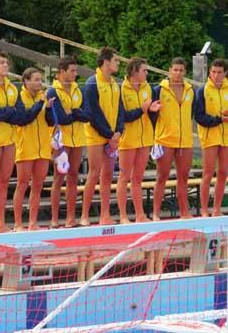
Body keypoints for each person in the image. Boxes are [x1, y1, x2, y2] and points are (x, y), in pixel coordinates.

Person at [0, 52, 42, 233]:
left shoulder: (13, 88)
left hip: (10, 139)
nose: (6, 65)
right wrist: (10, 112)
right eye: (2, 63)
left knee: (4, 181)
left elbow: (21, 116)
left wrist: (8, 112)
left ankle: (0, 223)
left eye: (7, 62)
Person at [81, 47, 124, 226]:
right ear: (106, 62)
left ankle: (104, 215)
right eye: (116, 60)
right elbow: (93, 113)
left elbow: (121, 109)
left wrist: (119, 131)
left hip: (112, 136)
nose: (118, 63)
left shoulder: (115, 84)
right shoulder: (92, 83)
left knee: (107, 175)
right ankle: (84, 215)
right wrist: (109, 134)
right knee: (94, 174)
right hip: (96, 135)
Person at [45, 57, 89, 229]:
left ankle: (71, 218)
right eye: (72, 70)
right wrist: (75, 114)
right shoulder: (52, 91)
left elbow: (87, 115)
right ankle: (54, 219)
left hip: (78, 138)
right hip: (61, 140)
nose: (75, 73)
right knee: (59, 177)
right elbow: (61, 119)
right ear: (62, 71)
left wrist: (74, 112)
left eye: (76, 70)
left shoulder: (79, 90)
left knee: (73, 177)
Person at [116, 57, 161, 224]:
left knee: (138, 178)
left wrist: (152, 110)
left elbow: (148, 114)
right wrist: (141, 110)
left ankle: (140, 215)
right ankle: (123, 216)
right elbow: (124, 116)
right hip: (128, 139)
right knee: (124, 177)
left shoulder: (147, 87)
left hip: (145, 138)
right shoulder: (121, 89)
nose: (147, 73)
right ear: (134, 71)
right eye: (144, 70)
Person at [195, 58, 228, 217]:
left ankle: (217, 209)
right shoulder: (203, 90)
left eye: (219, 72)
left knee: (222, 173)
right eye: (213, 72)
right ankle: (204, 210)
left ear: (225, 73)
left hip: (226, 136)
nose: (215, 75)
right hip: (209, 136)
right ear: (209, 72)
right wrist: (219, 119)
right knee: (208, 173)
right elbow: (199, 117)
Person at [152, 57, 195, 221]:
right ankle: (156, 213)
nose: (178, 73)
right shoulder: (159, 89)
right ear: (169, 70)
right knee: (162, 176)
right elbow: (152, 114)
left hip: (185, 141)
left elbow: (190, 114)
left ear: (185, 72)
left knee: (183, 176)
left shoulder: (190, 90)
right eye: (175, 69)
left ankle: (184, 212)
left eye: (181, 70)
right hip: (165, 139)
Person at [13, 68, 54, 231]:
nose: (39, 82)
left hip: (43, 145)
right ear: (26, 81)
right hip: (25, 145)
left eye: (40, 79)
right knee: (22, 184)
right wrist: (40, 104)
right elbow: (26, 118)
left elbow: (50, 122)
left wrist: (49, 108)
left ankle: (32, 222)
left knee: (38, 185)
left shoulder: (43, 97)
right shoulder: (19, 97)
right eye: (36, 79)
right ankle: (17, 223)